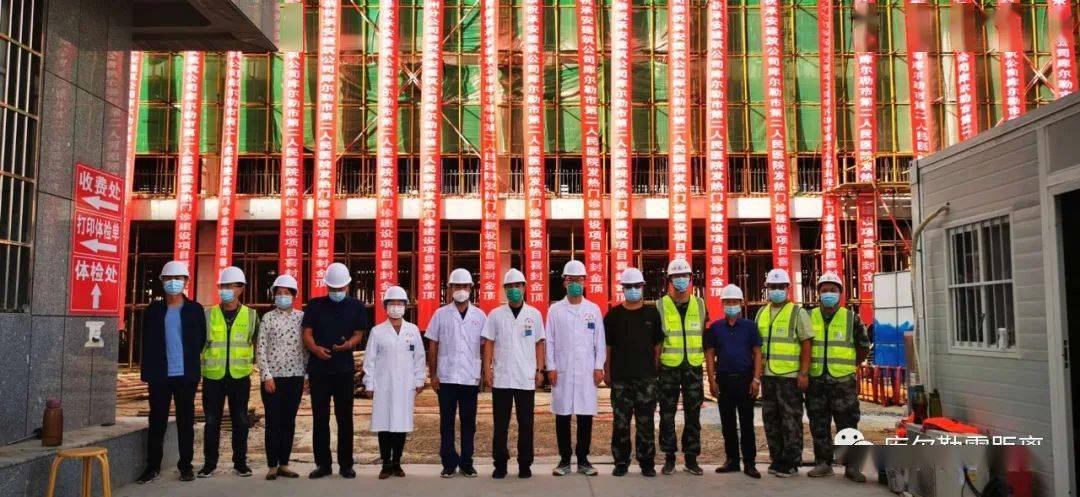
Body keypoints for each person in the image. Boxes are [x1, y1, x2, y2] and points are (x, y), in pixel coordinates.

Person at [137, 261, 206, 484]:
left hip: (186, 375)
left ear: (186, 282)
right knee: (157, 420)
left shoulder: (195, 309)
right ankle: (153, 466)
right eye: (169, 279)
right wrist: (148, 372)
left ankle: (185, 466)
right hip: (159, 375)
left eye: (179, 279)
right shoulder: (154, 310)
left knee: (186, 421)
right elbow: (145, 342)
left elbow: (200, 340)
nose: (174, 283)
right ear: (162, 282)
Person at [303, 262, 368, 479]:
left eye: (340, 289)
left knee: (344, 418)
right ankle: (323, 464)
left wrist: (348, 345)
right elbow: (307, 332)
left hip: (343, 369)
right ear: (326, 286)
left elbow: (359, 333)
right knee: (320, 418)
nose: (337, 292)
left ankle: (346, 464)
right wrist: (314, 349)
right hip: (319, 370)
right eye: (333, 289)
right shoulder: (315, 305)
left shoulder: (357, 307)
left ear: (348, 286)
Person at [805, 272, 871, 481]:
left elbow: (862, 347)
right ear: (818, 294)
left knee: (848, 423)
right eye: (824, 290)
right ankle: (823, 463)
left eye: (833, 290)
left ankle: (852, 467)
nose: (828, 294)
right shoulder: (808, 317)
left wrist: (851, 365)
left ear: (840, 293)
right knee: (818, 423)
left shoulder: (851, 318)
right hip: (816, 380)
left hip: (843, 382)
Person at [481, 268, 546, 479]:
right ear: (505, 290)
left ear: (525, 288)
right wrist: (487, 370)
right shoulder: (495, 315)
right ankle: (500, 464)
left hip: (526, 377)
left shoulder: (534, 314)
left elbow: (539, 344)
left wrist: (539, 370)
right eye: (510, 287)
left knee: (526, 424)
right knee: (501, 424)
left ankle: (525, 464)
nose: (514, 290)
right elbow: (489, 343)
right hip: (502, 377)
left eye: (518, 286)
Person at [545, 260, 606, 477]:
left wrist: (599, 367)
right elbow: (549, 341)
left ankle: (583, 459)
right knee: (562, 415)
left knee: (585, 415)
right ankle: (563, 460)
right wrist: (550, 367)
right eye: (571, 280)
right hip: (561, 370)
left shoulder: (593, 310)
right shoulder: (555, 310)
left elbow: (599, 341)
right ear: (564, 282)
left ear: (585, 282)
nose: (575, 284)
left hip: (586, 370)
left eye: (580, 280)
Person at [426, 268, 487, 478]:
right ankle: (449, 463)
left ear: (471, 288)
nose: (461, 290)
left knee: (469, 423)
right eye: (457, 286)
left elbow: (484, 346)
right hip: (446, 377)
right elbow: (433, 344)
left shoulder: (480, 316)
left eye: (464, 286)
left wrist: (484, 373)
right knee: (447, 422)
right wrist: (433, 374)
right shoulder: (441, 314)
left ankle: (467, 462)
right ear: (450, 288)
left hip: (470, 378)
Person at [199, 266, 259, 478]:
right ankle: (209, 463)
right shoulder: (208, 315)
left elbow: (255, 342)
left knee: (240, 420)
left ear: (240, 289)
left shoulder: (251, 316)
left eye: (231, 286)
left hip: (240, 376)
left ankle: (240, 462)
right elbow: (200, 345)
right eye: (223, 286)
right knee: (212, 421)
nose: (225, 290)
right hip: (213, 376)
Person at [604, 267, 663, 477]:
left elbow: (658, 344)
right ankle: (621, 462)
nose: (633, 290)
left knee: (645, 422)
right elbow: (608, 347)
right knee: (620, 422)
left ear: (642, 287)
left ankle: (647, 462)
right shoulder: (613, 316)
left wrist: (654, 367)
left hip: (646, 377)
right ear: (623, 289)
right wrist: (607, 371)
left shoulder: (652, 313)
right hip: (620, 378)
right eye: (628, 287)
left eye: (636, 286)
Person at [364, 286, 427, 480]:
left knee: (400, 424)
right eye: (392, 303)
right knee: (384, 425)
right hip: (383, 384)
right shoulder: (377, 331)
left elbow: (419, 357)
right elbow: (370, 359)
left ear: (406, 307)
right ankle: (386, 463)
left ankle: (397, 462)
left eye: (400, 304)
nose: (396, 307)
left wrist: (419, 380)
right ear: (385, 306)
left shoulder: (413, 330)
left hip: (405, 385)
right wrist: (369, 383)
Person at [755, 268, 814, 478]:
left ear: (788, 288)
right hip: (768, 375)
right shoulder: (761, 313)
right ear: (767, 289)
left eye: (780, 287)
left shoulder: (798, 313)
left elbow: (807, 343)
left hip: (790, 376)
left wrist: (804, 372)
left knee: (791, 419)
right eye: (773, 287)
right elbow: (757, 346)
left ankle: (791, 461)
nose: (776, 290)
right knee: (771, 419)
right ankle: (777, 458)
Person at [703, 284, 763, 479]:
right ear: (722, 304)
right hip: (724, 381)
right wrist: (712, 381)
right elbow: (710, 355)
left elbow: (757, 354)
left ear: (741, 303)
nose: (731, 305)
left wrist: (756, 379)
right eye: (727, 302)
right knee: (727, 423)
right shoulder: (715, 328)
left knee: (746, 423)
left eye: (734, 302)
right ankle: (732, 460)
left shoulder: (750, 327)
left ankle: (750, 463)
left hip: (745, 380)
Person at [655, 258, 707, 475]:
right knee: (667, 414)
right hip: (668, 368)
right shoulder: (660, 305)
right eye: (676, 277)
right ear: (669, 280)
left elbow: (703, 335)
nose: (681, 280)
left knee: (693, 414)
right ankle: (669, 457)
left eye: (684, 276)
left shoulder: (700, 304)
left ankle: (691, 458)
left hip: (693, 367)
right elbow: (656, 342)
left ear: (691, 279)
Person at [257, 274, 307, 480]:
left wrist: (305, 374)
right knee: (273, 421)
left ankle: (284, 463)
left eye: (287, 293)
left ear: (294, 296)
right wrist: (266, 375)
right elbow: (260, 348)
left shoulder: (302, 318)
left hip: (295, 376)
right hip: (273, 378)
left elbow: (306, 347)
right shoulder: (268, 318)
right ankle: (272, 465)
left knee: (289, 421)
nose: (282, 296)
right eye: (279, 293)